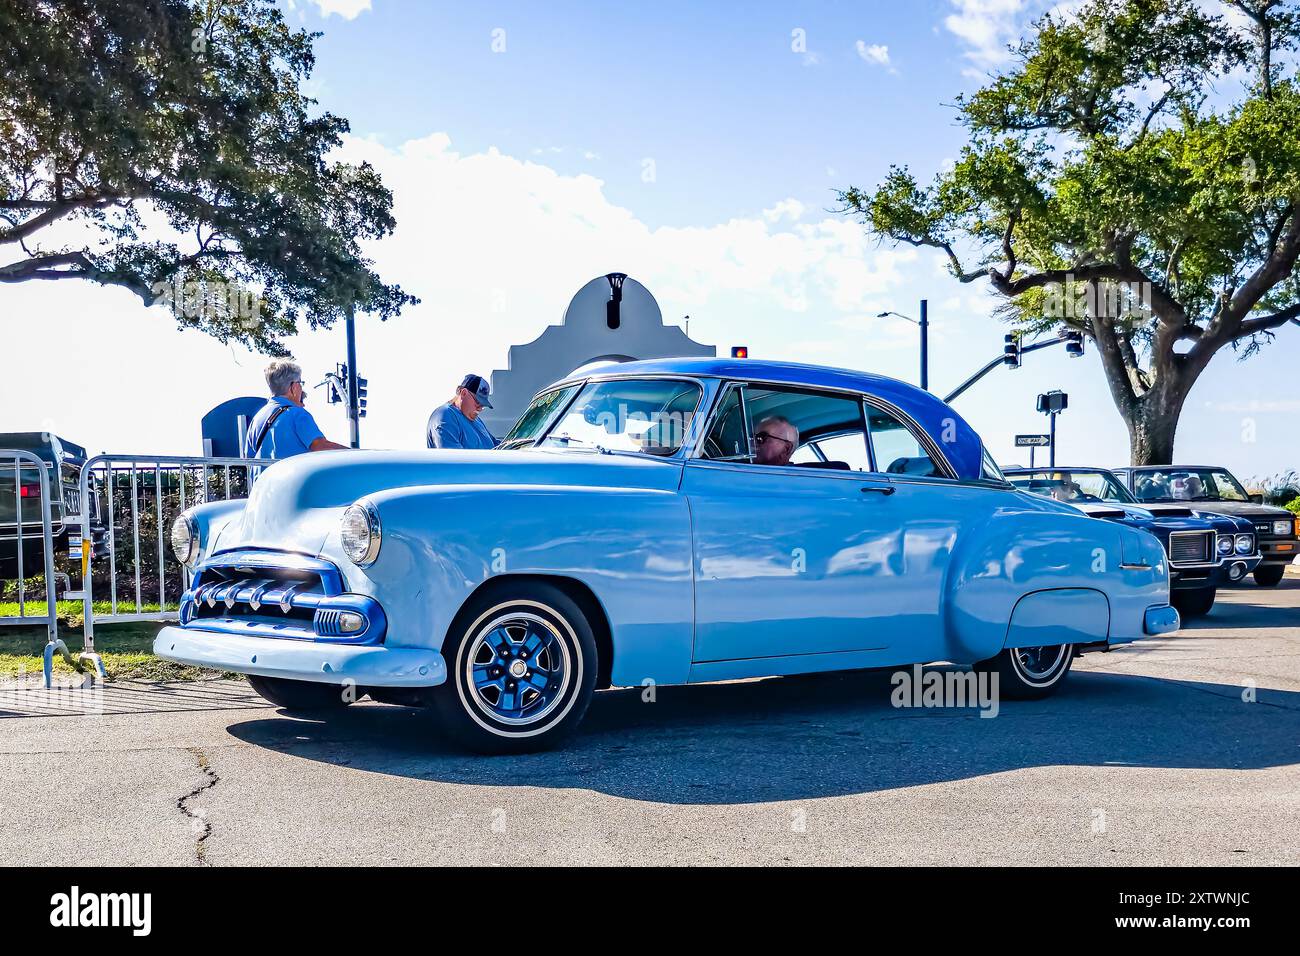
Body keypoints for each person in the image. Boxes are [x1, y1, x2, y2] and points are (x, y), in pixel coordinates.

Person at [244, 360, 347, 460]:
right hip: (292, 477)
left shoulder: (257, 419)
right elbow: (320, 446)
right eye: (300, 383)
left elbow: (248, 458)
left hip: (262, 477)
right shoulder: (297, 414)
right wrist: (356, 454)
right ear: (293, 387)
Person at [427, 374, 497, 449]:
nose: (480, 408)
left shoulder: (477, 421)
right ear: (463, 393)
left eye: (483, 405)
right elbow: (451, 458)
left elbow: (496, 446)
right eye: (477, 402)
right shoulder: (445, 416)